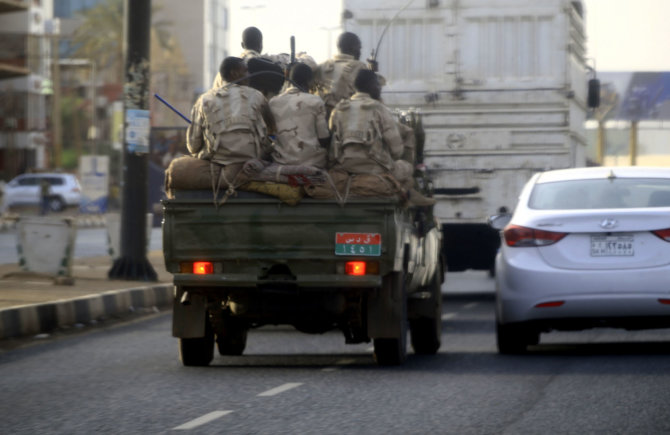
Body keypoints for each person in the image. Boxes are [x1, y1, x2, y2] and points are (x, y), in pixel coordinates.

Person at [328, 69, 434, 206]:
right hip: (374, 168)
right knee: (407, 169)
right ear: (370, 85)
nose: (379, 88)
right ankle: (409, 194)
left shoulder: (339, 108)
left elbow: (332, 143)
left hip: (344, 166)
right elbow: (397, 150)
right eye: (377, 85)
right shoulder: (378, 108)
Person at [187, 57, 276, 166]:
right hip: (252, 158)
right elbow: (272, 130)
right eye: (245, 71)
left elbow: (193, 145)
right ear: (234, 73)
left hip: (217, 160)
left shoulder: (204, 100)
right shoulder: (257, 96)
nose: (249, 75)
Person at [269, 63, 330, 168]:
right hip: (312, 162)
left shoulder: (273, 102)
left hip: (282, 161)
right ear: (310, 81)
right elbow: (323, 138)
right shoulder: (315, 101)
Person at [314, 32, 368, 116]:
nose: (360, 52)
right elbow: (369, 93)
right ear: (353, 48)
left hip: (324, 117)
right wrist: (372, 72)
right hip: (348, 117)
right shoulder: (360, 67)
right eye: (359, 48)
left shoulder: (322, 66)